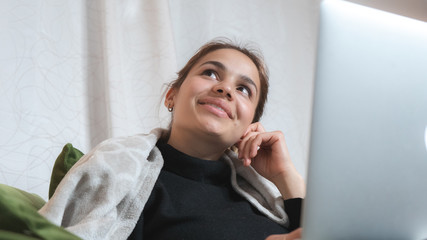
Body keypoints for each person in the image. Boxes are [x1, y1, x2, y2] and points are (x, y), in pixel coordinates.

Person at [39, 39, 305, 240]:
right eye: (210, 73)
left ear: (250, 125)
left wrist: (284, 175)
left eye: (243, 89)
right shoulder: (126, 182)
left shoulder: (261, 201)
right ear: (172, 96)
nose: (225, 89)